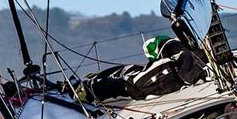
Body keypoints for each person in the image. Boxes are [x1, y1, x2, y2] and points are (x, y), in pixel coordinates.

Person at [77, 36, 206, 103]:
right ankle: (92, 82)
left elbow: (134, 85)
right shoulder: (185, 46)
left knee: (128, 82)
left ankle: (88, 88)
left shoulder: (171, 54)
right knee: (130, 70)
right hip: (178, 71)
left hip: (157, 80)